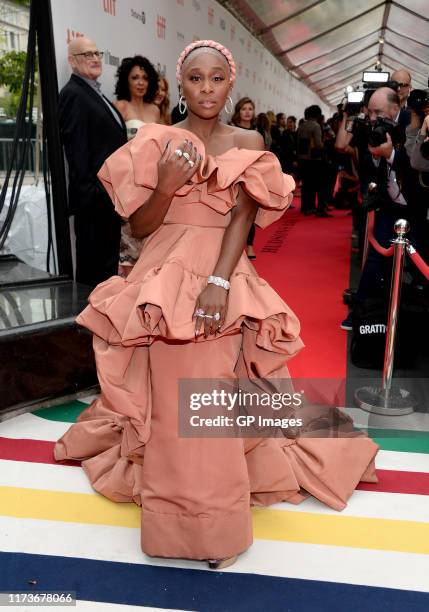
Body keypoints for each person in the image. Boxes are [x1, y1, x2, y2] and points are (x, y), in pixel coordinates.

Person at [54, 40, 378, 569]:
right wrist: (165, 184)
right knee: (180, 397)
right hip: (161, 274)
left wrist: (219, 283)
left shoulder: (248, 139)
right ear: (178, 85)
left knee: (205, 398)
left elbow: (242, 218)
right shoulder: (160, 139)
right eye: (196, 79)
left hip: (219, 273)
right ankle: (183, 517)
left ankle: (214, 524)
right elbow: (139, 227)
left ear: (232, 83)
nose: (207, 89)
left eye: (217, 79)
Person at [59, 36, 127, 287]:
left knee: (107, 271)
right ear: (71, 61)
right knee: (93, 275)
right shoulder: (74, 94)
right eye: (86, 55)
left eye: (97, 53)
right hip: (94, 204)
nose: (95, 59)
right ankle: (88, 323)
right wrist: (95, 197)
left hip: (107, 200)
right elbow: (77, 154)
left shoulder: (93, 93)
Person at [113, 56, 160, 277]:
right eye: (135, 78)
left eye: (144, 77)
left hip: (152, 182)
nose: (140, 82)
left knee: (151, 242)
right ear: (126, 80)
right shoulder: (120, 107)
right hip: (129, 183)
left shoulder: (155, 110)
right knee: (128, 240)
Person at [231, 97, 257, 259]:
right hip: (234, 175)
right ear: (238, 112)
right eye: (243, 109)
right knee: (233, 213)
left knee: (250, 212)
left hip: (253, 176)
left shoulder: (257, 132)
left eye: (250, 109)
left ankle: (249, 245)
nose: (247, 112)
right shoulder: (231, 131)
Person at [297, 105, 330, 217]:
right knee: (315, 184)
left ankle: (305, 207)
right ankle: (311, 207)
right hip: (314, 159)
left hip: (302, 158)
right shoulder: (316, 126)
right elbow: (318, 144)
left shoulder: (302, 126)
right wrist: (324, 143)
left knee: (306, 184)